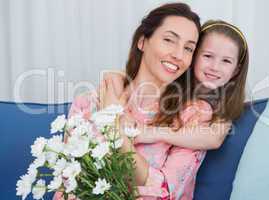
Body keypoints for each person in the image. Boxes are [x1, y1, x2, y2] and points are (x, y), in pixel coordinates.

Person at [54, 2, 210, 200]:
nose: (179, 55)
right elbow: (67, 184)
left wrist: (114, 126)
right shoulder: (89, 102)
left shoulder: (193, 115)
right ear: (142, 41)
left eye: (188, 49)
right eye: (169, 40)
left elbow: (166, 193)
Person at [104, 19, 249, 151]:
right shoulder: (172, 78)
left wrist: (154, 133)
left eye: (226, 61)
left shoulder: (225, 102)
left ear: (236, 70)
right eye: (208, 56)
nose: (215, 67)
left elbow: (214, 139)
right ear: (192, 55)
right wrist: (116, 78)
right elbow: (136, 78)